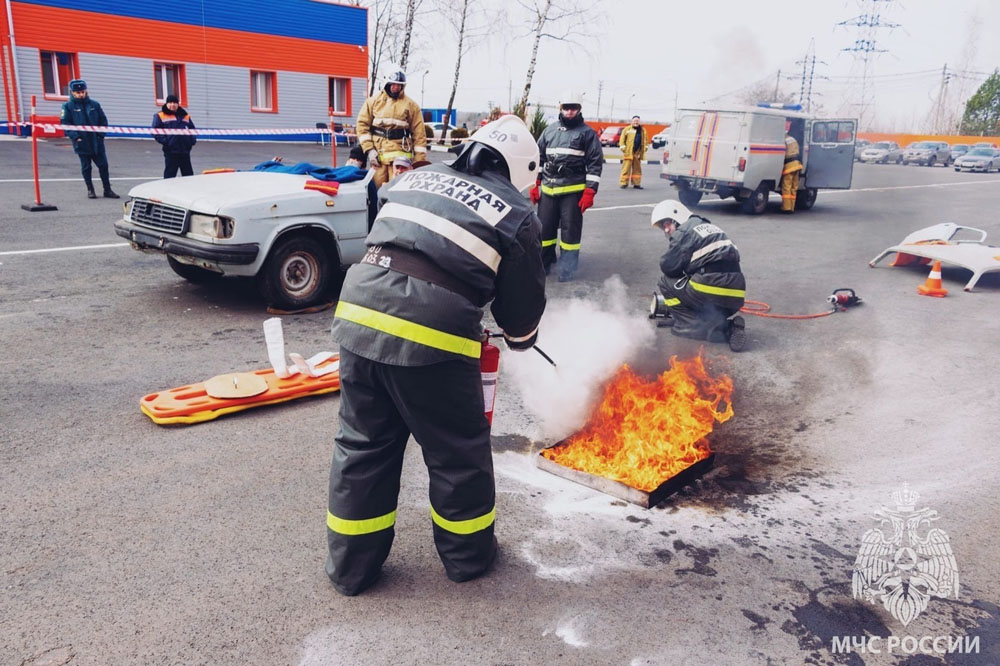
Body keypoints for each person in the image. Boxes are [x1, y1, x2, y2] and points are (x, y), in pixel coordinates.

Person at [325, 115, 546, 596]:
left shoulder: (417, 176)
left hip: (359, 315)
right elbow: (521, 308)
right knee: (456, 454)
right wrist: (521, 336)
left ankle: (350, 570)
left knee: (362, 446)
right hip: (433, 336)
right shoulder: (515, 210)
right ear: (518, 170)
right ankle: (467, 559)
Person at [651, 199, 747, 352]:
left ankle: (688, 325)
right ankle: (727, 325)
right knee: (696, 285)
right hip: (735, 296)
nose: (667, 230)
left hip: (710, 288)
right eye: (664, 227)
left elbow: (668, 266)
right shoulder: (710, 227)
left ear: (677, 217)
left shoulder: (684, 231)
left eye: (667, 224)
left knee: (665, 282)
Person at [531, 91, 603, 282]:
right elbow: (538, 158)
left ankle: (567, 268)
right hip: (548, 189)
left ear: (579, 109)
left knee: (570, 232)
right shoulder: (549, 131)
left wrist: (590, 191)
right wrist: (534, 183)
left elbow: (595, 164)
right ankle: (544, 264)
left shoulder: (587, 133)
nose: (570, 112)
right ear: (560, 108)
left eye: (573, 108)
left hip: (572, 191)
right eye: (566, 108)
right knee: (544, 231)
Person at [356, 70, 427, 188]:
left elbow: (419, 136)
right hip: (378, 158)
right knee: (377, 191)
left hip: (401, 162)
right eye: (393, 84)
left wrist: (418, 163)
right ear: (386, 83)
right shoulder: (373, 102)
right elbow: (362, 126)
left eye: (399, 85)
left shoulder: (411, 106)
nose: (395, 87)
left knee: (398, 192)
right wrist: (369, 150)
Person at [60, 79, 118, 199]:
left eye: (82, 91)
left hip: (96, 142)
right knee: (86, 167)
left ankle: (107, 189)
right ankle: (90, 189)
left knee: (103, 166)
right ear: (73, 92)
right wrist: (76, 137)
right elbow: (66, 124)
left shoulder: (94, 104)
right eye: (78, 92)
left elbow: (103, 120)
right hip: (82, 142)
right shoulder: (67, 106)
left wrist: (100, 135)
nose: (81, 94)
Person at [152, 94, 196, 178]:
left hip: (185, 151)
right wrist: (167, 142)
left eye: (175, 103)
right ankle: (167, 191)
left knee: (188, 176)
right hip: (171, 151)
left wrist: (191, 142)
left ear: (178, 104)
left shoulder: (185, 115)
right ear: (166, 104)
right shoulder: (160, 115)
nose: (173, 105)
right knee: (170, 176)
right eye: (170, 102)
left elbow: (192, 130)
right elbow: (156, 131)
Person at [618, 115, 648, 189]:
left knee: (637, 169)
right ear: (632, 121)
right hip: (628, 152)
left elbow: (645, 140)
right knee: (626, 169)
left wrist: (645, 149)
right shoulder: (627, 129)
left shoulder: (643, 130)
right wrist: (623, 148)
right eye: (635, 121)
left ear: (639, 122)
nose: (636, 122)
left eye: (637, 121)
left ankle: (636, 184)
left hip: (637, 153)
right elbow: (622, 140)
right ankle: (624, 183)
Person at [781, 122, 803, 213]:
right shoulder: (793, 139)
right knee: (794, 187)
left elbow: (783, 153)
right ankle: (792, 207)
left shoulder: (783, 140)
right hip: (797, 165)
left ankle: (786, 208)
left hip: (789, 166)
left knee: (787, 187)